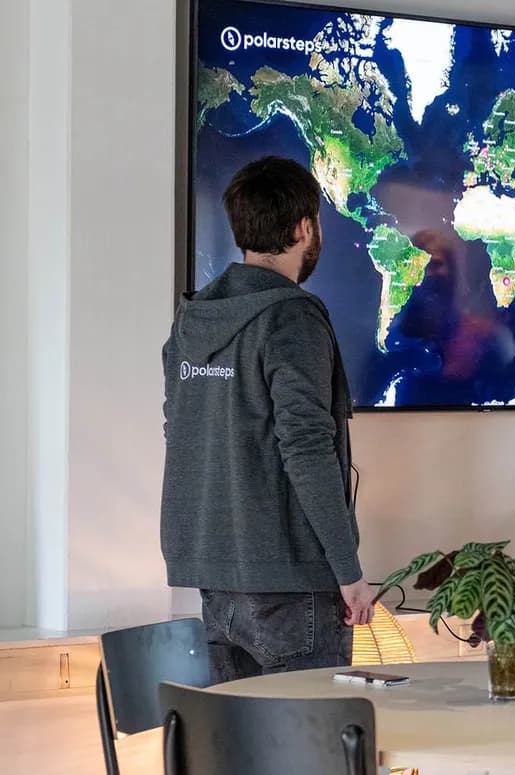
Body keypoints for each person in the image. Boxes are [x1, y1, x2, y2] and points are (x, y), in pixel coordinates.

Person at [161, 156, 372, 685]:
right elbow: (306, 447)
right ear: (304, 228)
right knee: (308, 752)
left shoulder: (193, 319)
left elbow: (178, 429)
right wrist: (348, 573)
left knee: (237, 751)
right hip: (290, 583)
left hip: (214, 579)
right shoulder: (292, 317)